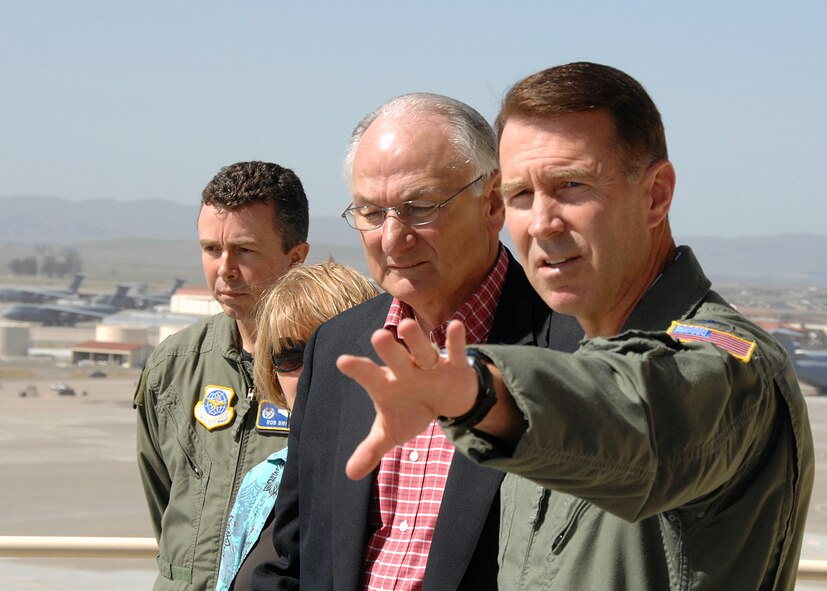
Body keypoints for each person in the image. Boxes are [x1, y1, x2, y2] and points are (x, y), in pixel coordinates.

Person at [338, 62, 815, 590]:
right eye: (521, 196)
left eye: (571, 186)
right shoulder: (570, 356)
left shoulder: (732, 364)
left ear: (656, 195)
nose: (542, 224)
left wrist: (477, 393)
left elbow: (641, 413)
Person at [252, 93, 582, 590]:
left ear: (493, 202)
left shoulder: (573, 350)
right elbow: (294, 559)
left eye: (419, 208)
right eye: (370, 212)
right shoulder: (335, 348)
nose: (391, 237)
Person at [134, 160, 309, 590]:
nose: (225, 268)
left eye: (245, 250)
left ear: (296, 257)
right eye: (212, 249)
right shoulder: (173, 366)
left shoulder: (328, 366)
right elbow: (163, 504)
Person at [217, 260, 378, 591]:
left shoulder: (401, 479)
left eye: (325, 352)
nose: (308, 373)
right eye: (289, 355)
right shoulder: (264, 480)